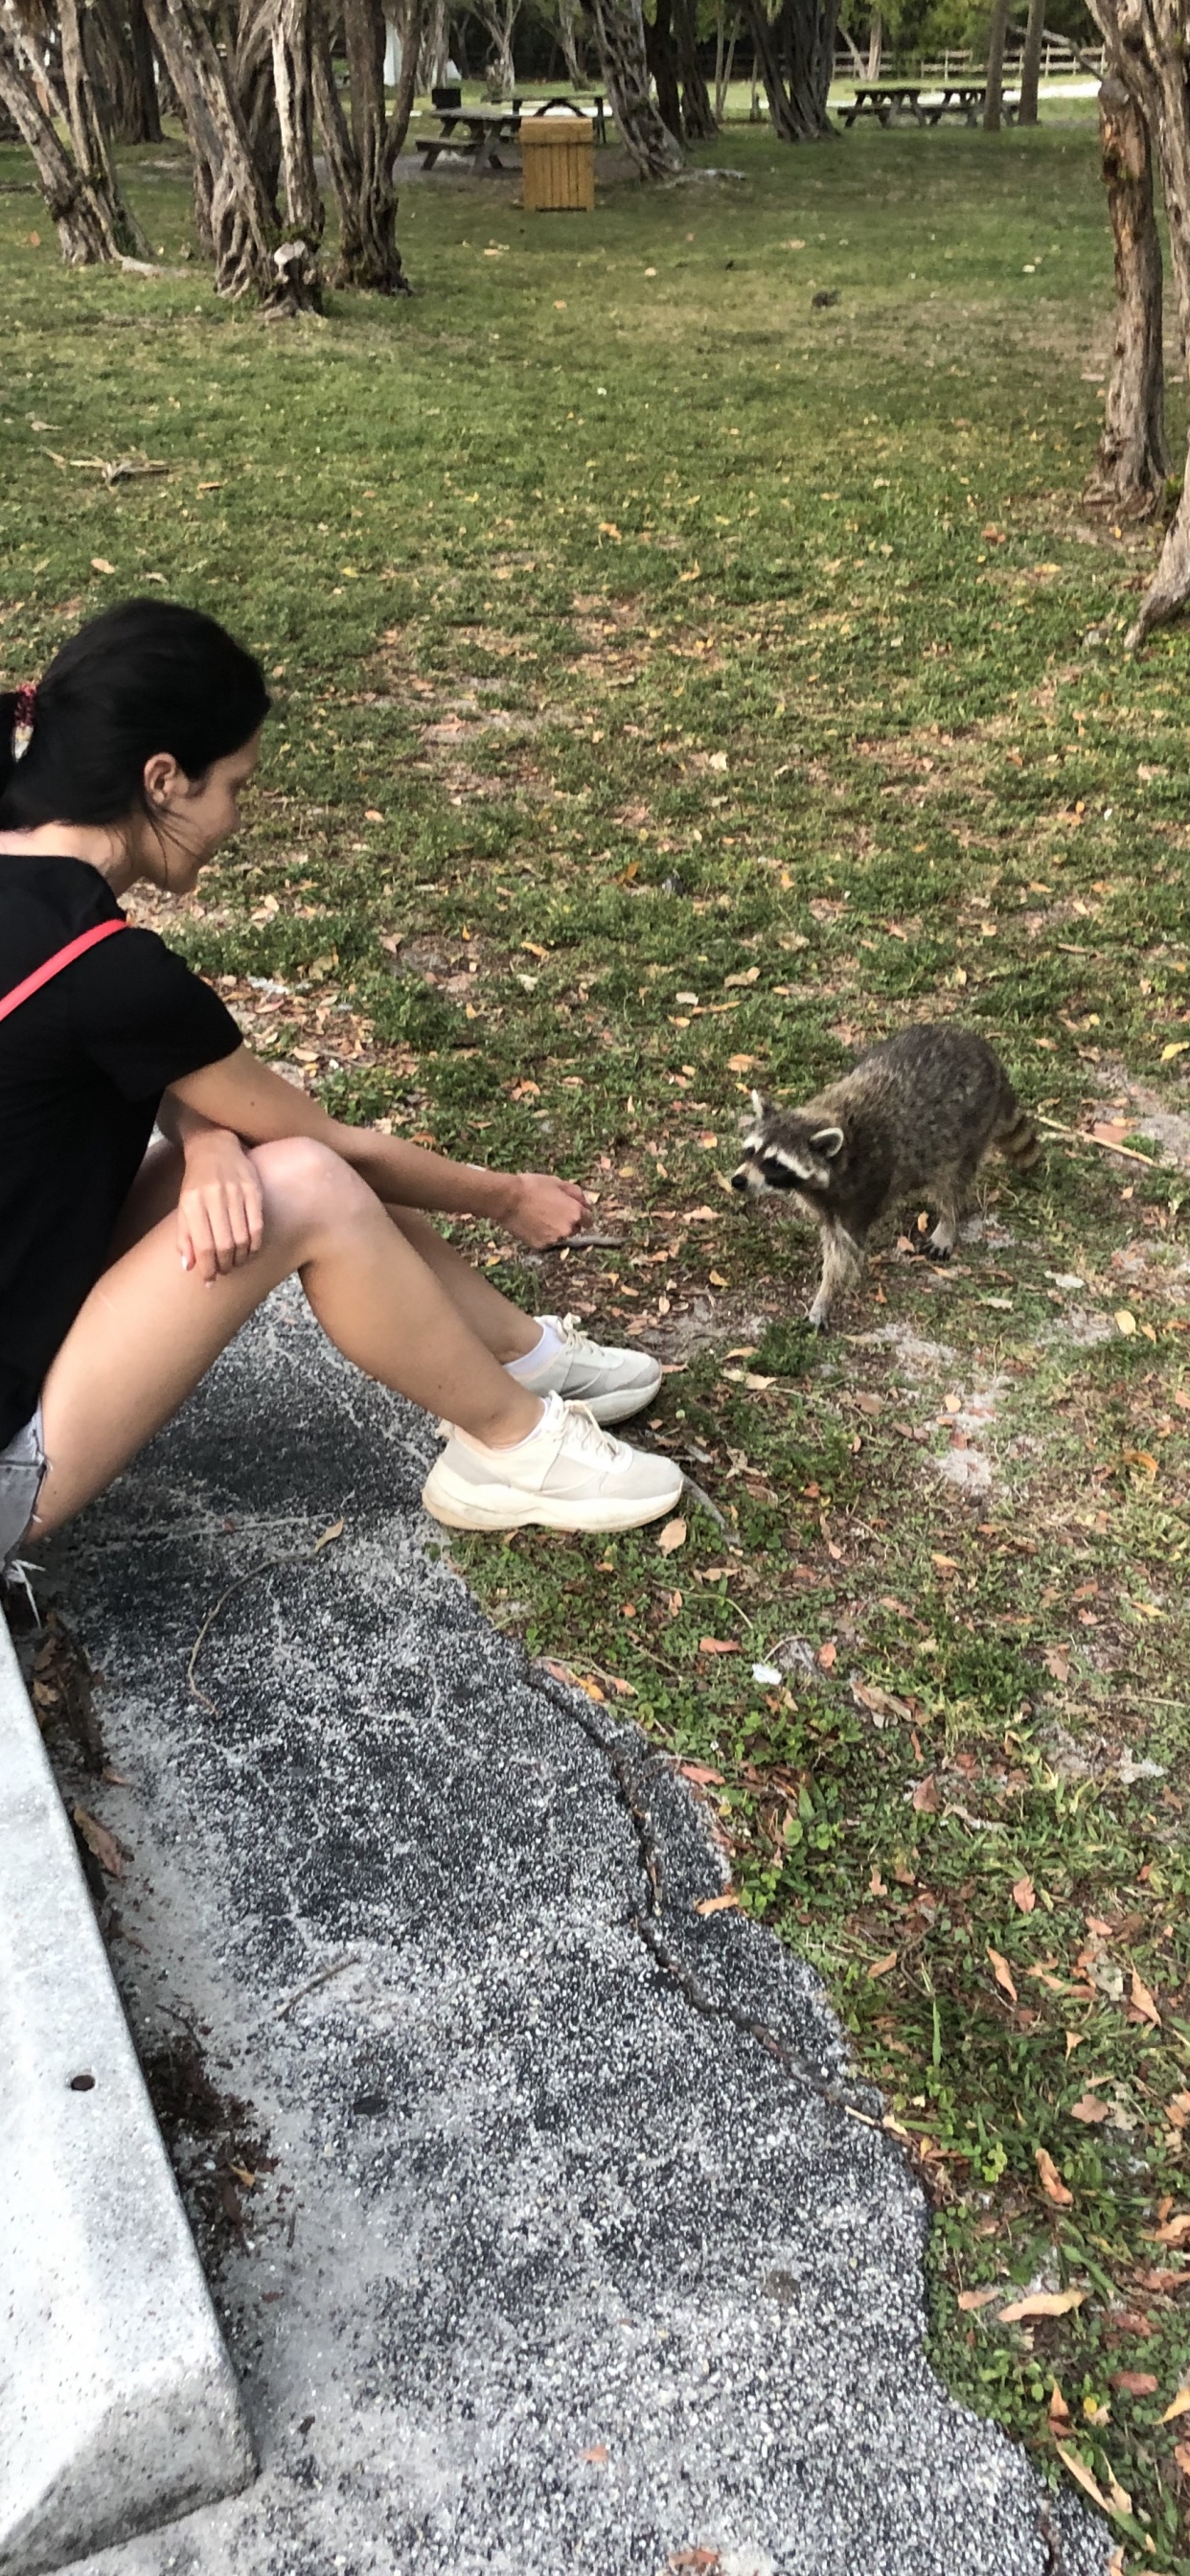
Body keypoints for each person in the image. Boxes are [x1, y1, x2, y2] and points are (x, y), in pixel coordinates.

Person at [0, 598, 683, 1571]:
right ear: (163, 779)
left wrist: (206, 1142)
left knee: (263, 1158)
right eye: (235, 784)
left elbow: (110, 1063)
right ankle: (509, 1447)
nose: (237, 816)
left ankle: (517, 1350)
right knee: (309, 1186)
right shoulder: (101, 966)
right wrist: (508, 1198)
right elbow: (332, 1142)